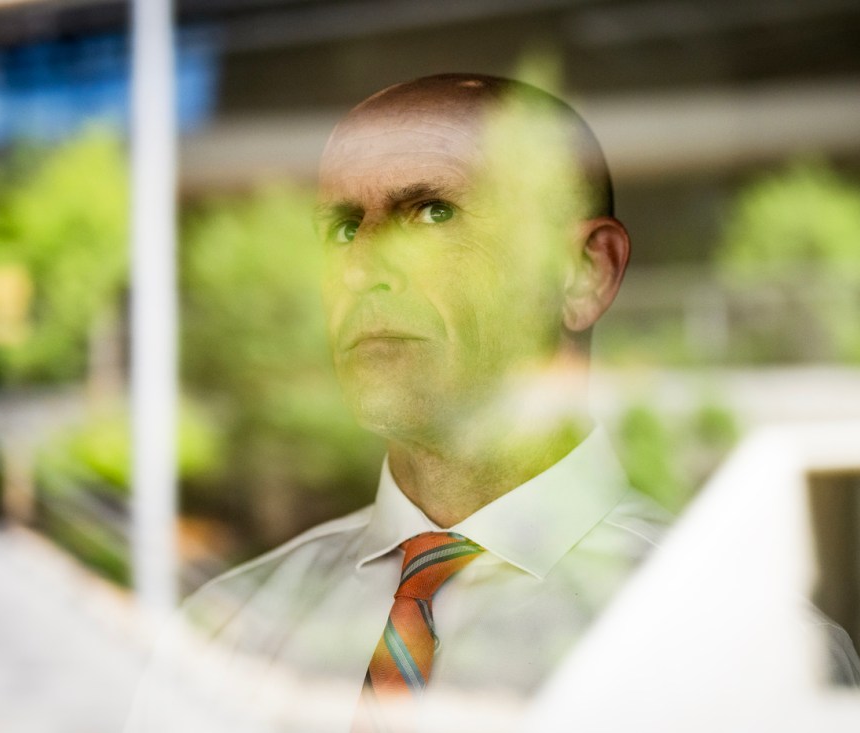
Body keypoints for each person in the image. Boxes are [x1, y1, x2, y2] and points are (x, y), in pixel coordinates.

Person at [125, 73, 675, 733]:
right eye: (341, 227)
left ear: (588, 272)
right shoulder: (227, 636)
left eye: (433, 212)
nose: (362, 267)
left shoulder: (725, 634)